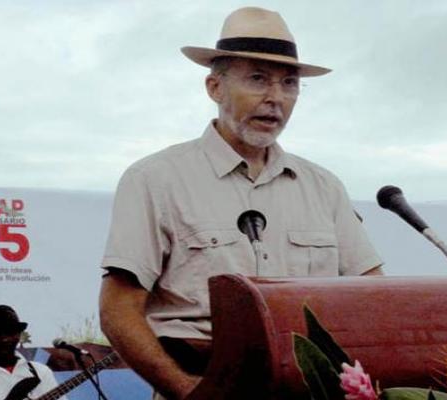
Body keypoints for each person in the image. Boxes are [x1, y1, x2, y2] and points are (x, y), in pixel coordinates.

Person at [98, 6, 383, 400]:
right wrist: (188, 392)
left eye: (289, 83)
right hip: (205, 381)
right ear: (214, 87)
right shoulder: (155, 179)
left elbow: (374, 299)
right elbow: (118, 310)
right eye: (257, 79)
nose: (275, 98)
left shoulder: (324, 187)